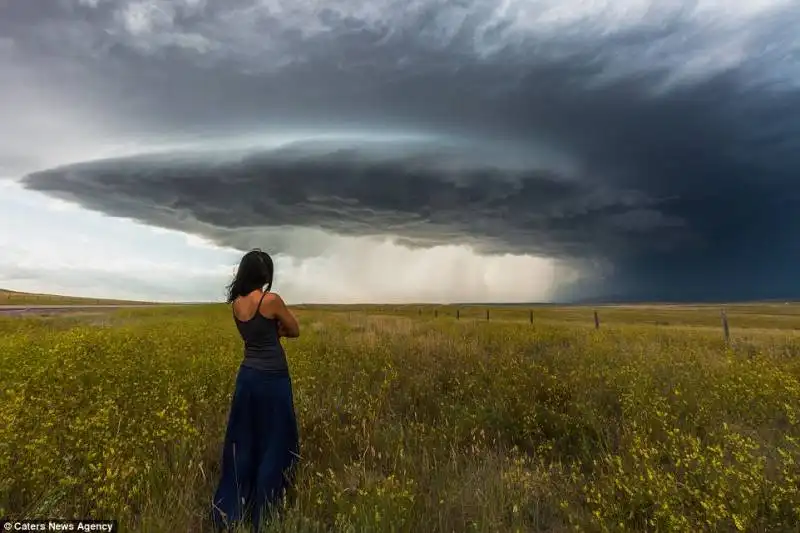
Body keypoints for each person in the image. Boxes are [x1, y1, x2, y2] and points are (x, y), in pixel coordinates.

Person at [211, 249, 301, 532]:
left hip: (247, 377)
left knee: (244, 440)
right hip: (273, 378)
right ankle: (267, 507)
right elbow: (295, 329)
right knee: (274, 439)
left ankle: (234, 510)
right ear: (265, 275)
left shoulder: (236, 304)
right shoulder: (270, 300)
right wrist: (279, 331)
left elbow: (253, 334)